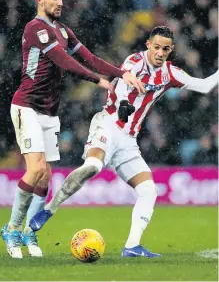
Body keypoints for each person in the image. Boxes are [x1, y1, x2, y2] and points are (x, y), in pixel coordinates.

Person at [30, 26, 218, 257]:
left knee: (149, 190)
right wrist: (122, 105)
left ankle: (131, 247)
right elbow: (123, 81)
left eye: (165, 49)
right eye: (156, 47)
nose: (160, 53)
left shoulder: (171, 73)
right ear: (149, 45)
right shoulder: (135, 61)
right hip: (108, 125)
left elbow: (205, 86)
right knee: (93, 167)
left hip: (129, 141)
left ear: (171, 50)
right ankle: (49, 209)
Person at [0, 0, 144, 259]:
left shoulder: (63, 30)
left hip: (49, 111)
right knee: (35, 168)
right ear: (40, 0)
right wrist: (98, 80)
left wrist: (119, 72)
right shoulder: (35, 28)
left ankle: (30, 229)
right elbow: (62, 61)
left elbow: (88, 57)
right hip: (26, 105)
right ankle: (12, 227)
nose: (60, 2)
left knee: (45, 176)